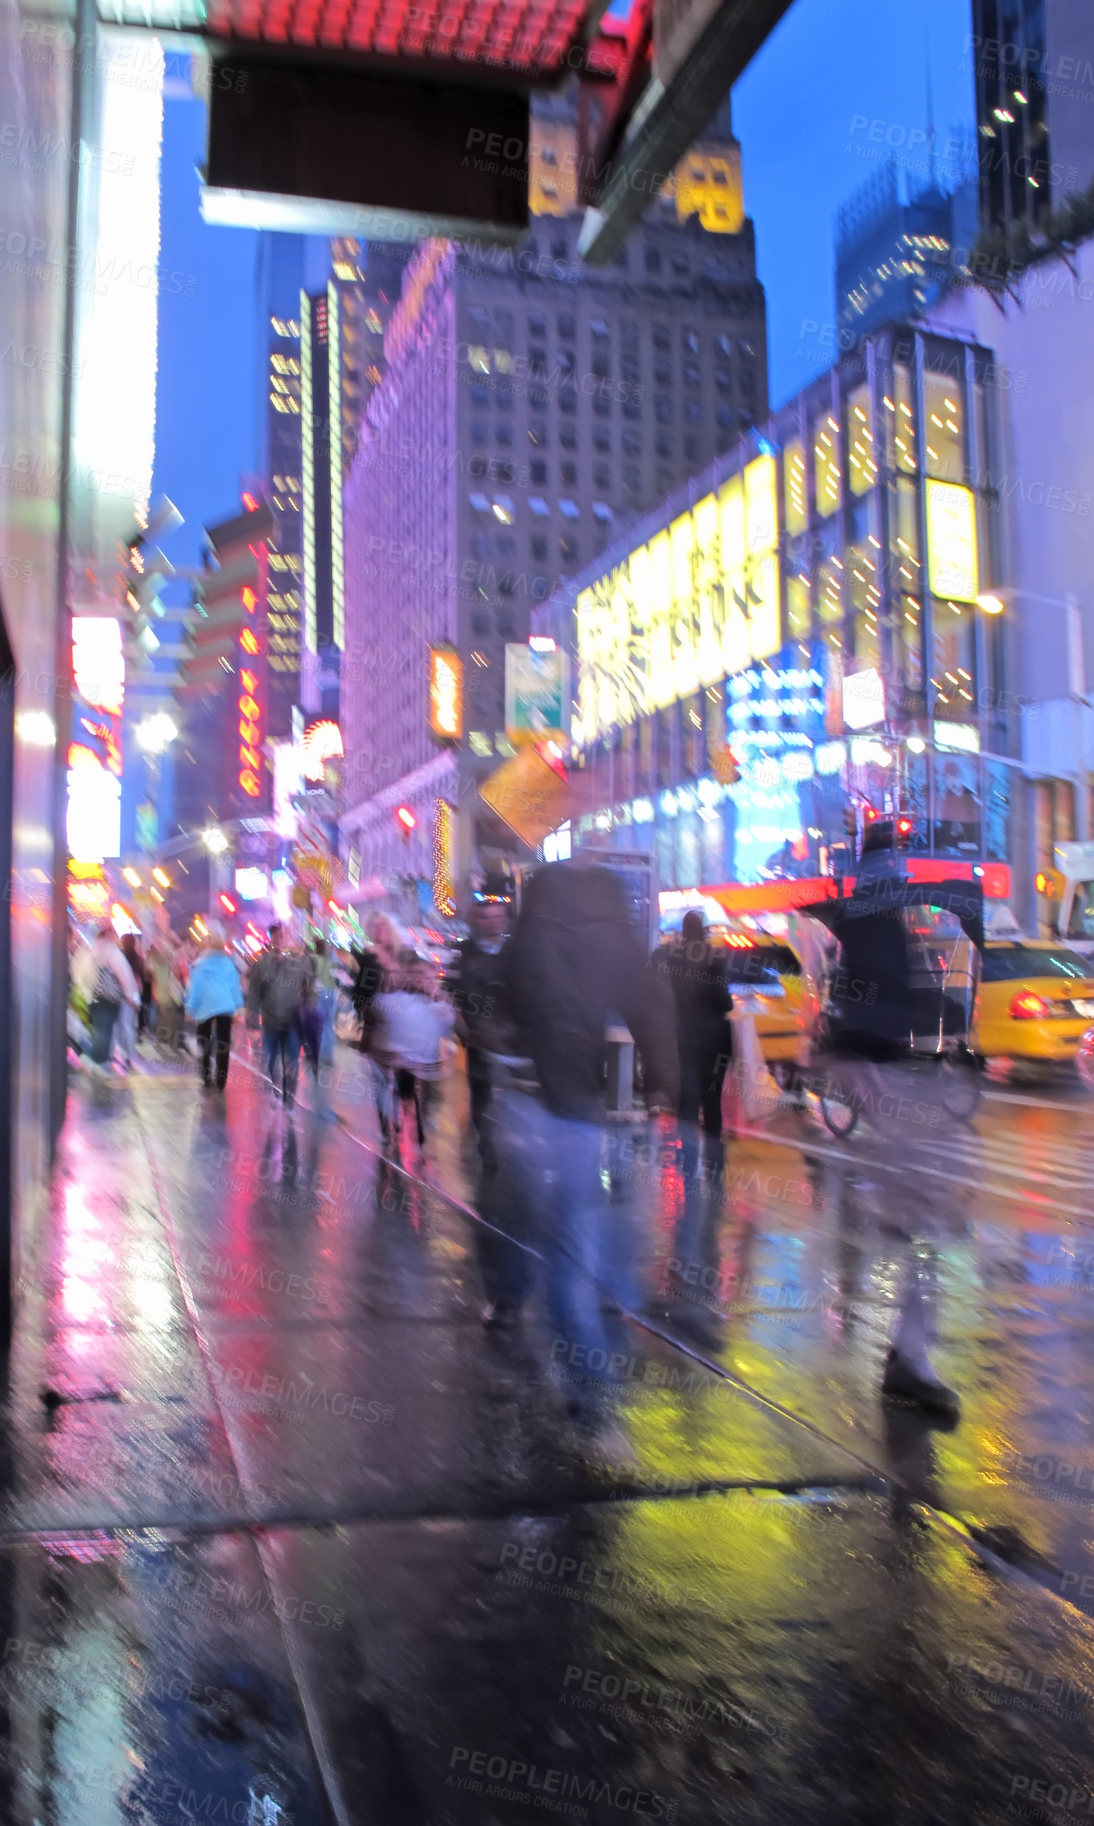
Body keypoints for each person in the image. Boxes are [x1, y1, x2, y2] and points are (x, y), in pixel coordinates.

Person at [480, 862, 678, 1447]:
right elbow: (653, 1013)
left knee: (556, 1244)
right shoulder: (618, 948)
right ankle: (600, 1384)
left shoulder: (526, 948)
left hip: (543, 1113)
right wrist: (664, 1082)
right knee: (607, 1246)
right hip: (606, 1115)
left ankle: (582, 1384)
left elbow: (498, 1015)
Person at [650, 910, 733, 1178]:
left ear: (684, 932)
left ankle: (687, 1163)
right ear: (704, 930)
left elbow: (653, 965)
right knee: (712, 1102)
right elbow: (725, 1002)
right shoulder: (715, 958)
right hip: (715, 1041)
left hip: (686, 1039)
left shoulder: (674, 957)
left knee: (688, 1099)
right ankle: (715, 1166)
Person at [446, 896, 509, 1170]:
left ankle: (510, 1145)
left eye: (498, 916)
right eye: (487, 917)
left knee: (513, 1094)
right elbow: (452, 996)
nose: (493, 922)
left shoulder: (515, 952)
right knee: (481, 1092)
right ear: (477, 921)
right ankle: (487, 1146)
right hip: (479, 1037)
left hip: (512, 1038)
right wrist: (464, 1030)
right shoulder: (464, 953)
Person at [374, 951, 455, 1155]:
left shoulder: (438, 1002)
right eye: (417, 974)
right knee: (407, 1095)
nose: (422, 979)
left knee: (428, 1098)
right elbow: (379, 1007)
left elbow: (449, 1023)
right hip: (406, 1061)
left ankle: (420, 1129)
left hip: (431, 1062)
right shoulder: (398, 999)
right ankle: (399, 1129)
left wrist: (438, 998)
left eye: (428, 976)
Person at [250, 926, 314, 1104]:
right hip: (270, 1020)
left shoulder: (299, 963)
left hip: (292, 1020)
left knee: (291, 1058)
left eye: (283, 937)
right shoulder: (262, 964)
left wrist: (309, 1008)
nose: (280, 941)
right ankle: (277, 1085)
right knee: (270, 1059)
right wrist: (253, 1015)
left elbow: (310, 986)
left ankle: (289, 1094)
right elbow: (254, 991)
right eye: (276, 938)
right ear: (271, 940)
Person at [75, 923, 141, 1074]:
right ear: (109, 935)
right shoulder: (112, 952)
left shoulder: (87, 950)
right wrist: (134, 1000)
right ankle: (90, 1058)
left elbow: (78, 972)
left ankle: (98, 1063)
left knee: (100, 1030)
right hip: (108, 1000)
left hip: (91, 998)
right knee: (104, 1032)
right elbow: (126, 977)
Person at [185, 927, 244, 1090]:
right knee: (223, 1043)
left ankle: (206, 1077)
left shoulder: (200, 964)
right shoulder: (228, 964)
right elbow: (235, 987)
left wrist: (190, 1007)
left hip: (205, 1007)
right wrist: (239, 1007)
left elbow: (195, 988)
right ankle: (221, 1080)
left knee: (203, 1040)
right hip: (225, 1006)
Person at [147, 936, 187, 1055]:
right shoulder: (159, 958)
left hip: (164, 992)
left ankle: (165, 1044)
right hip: (164, 993)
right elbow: (169, 954)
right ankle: (167, 1045)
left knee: (168, 1018)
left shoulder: (158, 959)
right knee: (169, 1019)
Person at [115, 933, 145, 1071]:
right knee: (129, 1025)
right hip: (133, 993)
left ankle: (122, 1054)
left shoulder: (120, 957)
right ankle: (130, 1055)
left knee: (121, 1025)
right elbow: (141, 980)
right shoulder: (138, 959)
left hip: (121, 993)